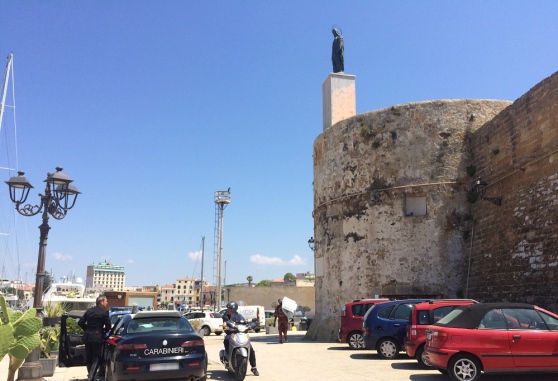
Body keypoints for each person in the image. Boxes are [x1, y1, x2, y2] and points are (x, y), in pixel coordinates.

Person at [79, 295, 111, 380]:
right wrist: (103, 331)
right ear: (102, 302)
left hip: (88, 336)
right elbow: (108, 326)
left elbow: (80, 322)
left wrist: (87, 329)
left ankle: (90, 374)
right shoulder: (104, 312)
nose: (107, 303)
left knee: (89, 356)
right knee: (97, 357)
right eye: (106, 301)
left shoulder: (89, 311)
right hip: (97, 336)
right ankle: (91, 376)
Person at [223, 301, 259, 376]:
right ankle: (227, 359)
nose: (228, 309)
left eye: (229, 308)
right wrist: (226, 326)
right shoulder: (226, 316)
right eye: (228, 308)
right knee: (227, 340)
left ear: (233, 309)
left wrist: (249, 326)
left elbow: (244, 322)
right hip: (231, 333)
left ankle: (254, 367)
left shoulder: (239, 316)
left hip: (240, 333)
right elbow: (225, 323)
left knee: (251, 349)